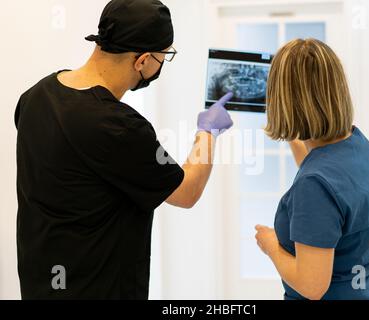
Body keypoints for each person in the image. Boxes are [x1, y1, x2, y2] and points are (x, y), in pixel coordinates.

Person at [14, 0, 233, 300]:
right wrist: (208, 132)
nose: (161, 64)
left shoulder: (36, 96)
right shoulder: (117, 126)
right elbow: (187, 191)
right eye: (164, 56)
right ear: (142, 60)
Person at [255, 39, 369, 300]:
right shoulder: (359, 146)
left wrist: (271, 245)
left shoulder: (314, 185)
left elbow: (312, 285)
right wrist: (292, 128)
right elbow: (325, 179)